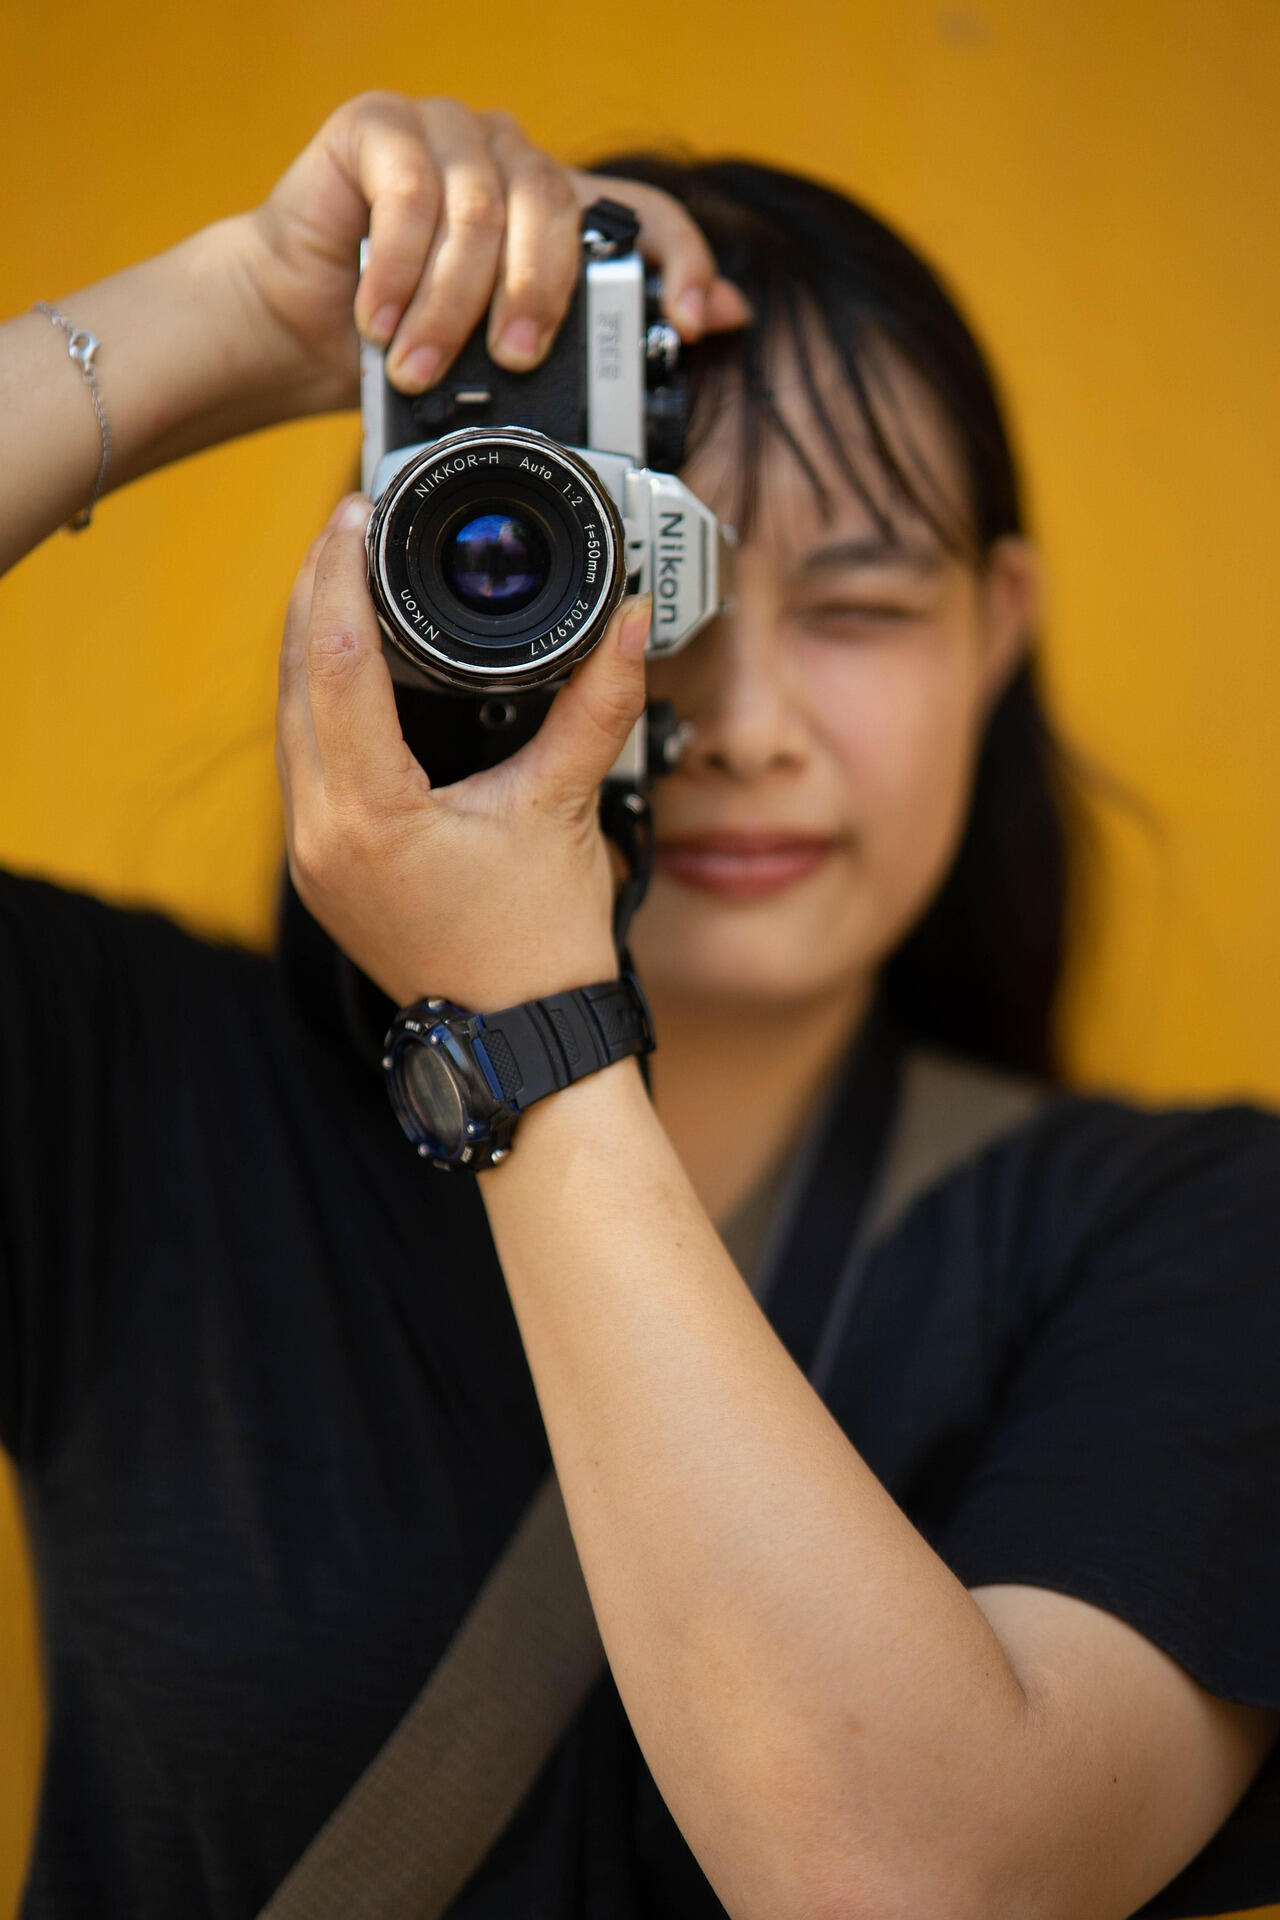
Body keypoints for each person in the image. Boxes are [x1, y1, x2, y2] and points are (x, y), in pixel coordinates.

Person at [2, 91, 1279, 1920]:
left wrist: (516, 1018)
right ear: (417, 575)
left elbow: (911, 1884)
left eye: (860, 606)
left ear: (995, 630)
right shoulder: (135, 1094)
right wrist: (228, 319)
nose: (746, 723)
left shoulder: (1194, 1236)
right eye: (631, 576)